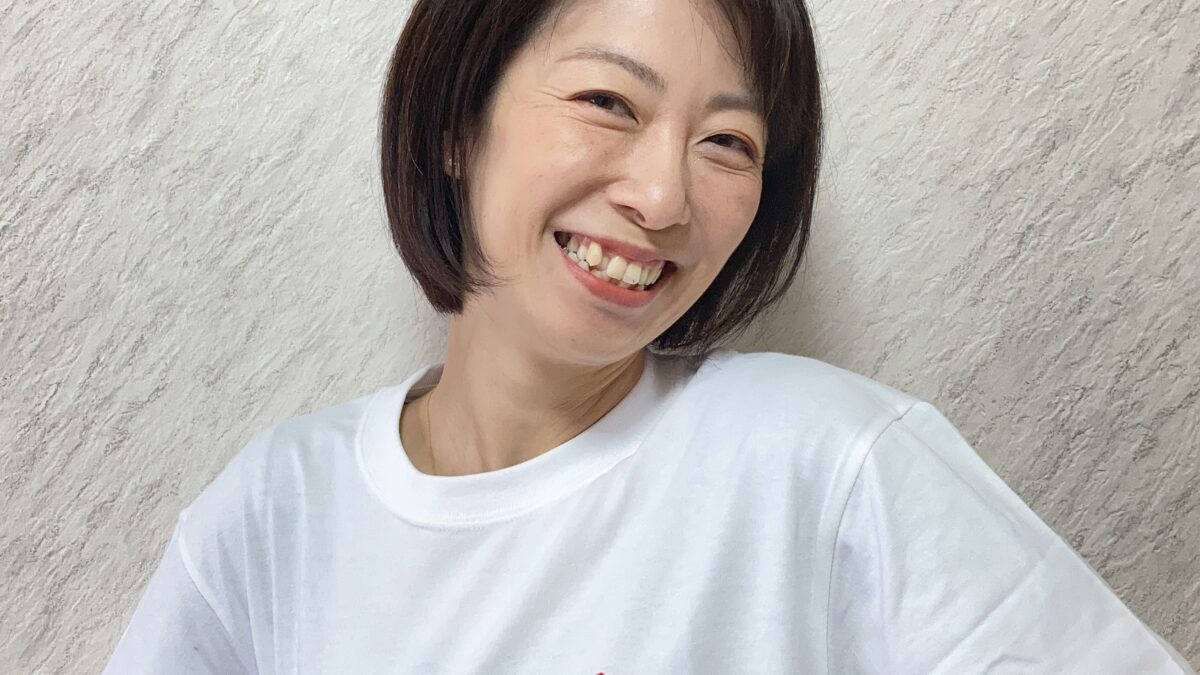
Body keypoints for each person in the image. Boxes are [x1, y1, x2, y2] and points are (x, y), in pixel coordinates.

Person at [104, 0, 1196, 672]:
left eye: (729, 143)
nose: (664, 195)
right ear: (455, 124)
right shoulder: (272, 512)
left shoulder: (829, 460)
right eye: (608, 103)